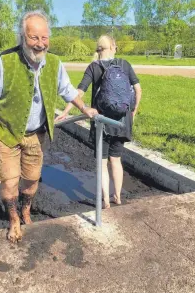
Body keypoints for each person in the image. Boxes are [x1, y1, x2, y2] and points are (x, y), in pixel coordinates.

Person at [0, 10, 98, 243]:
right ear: (22, 37)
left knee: (32, 180)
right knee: (10, 181)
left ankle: (26, 209)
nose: (40, 44)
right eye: (34, 38)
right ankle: (14, 219)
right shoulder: (3, 63)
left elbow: (67, 90)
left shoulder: (54, 63)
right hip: (6, 134)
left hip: (36, 135)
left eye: (44, 38)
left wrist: (85, 109)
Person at [56, 35, 142, 209]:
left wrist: (65, 112)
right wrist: (133, 112)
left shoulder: (94, 67)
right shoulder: (124, 64)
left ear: (98, 49)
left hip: (102, 122)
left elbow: (78, 92)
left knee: (102, 164)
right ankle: (117, 196)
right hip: (122, 121)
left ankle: (106, 201)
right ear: (113, 47)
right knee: (116, 160)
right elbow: (138, 89)